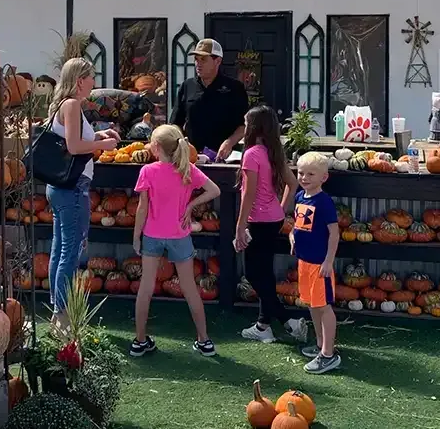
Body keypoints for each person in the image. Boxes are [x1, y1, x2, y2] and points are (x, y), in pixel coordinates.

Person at [129, 124, 221, 358]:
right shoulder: (187, 169)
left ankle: (140, 341)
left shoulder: (147, 171)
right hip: (180, 235)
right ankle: (204, 340)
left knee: (146, 288)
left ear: (156, 147)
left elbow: (142, 208)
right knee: (190, 288)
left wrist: (136, 235)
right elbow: (215, 190)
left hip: (152, 235)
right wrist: (190, 205)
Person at [46, 57, 119, 329]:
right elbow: (75, 147)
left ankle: (57, 311)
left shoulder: (60, 105)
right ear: (79, 81)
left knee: (59, 250)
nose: (94, 83)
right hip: (74, 188)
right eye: (91, 77)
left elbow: (71, 142)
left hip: (59, 188)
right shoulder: (74, 105)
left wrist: (98, 137)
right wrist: (106, 144)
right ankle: (63, 315)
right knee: (70, 252)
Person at [232, 105, 301, 344]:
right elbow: (293, 184)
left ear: (254, 127)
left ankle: (287, 320)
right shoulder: (274, 152)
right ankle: (263, 326)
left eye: (246, 122)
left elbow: (248, 195)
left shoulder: (251, 154)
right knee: (265, 273)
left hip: (257, 221)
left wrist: (240, 227)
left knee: (252, 273)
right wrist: (280, 210)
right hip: (273, 220)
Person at [290, 152, 342, 374]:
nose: (304, 177)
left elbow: (334, 233)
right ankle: (320, 344)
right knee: (312, 304)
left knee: (323, 306)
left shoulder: (324, 202)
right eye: (301, 173)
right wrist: (292, 236)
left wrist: (328, 261)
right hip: (304, 262)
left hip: (320, 265)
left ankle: (329, 355)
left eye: (311, 174)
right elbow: (298, 223)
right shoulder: (300, 197)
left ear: (323, 177)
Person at [172, 38, 249, 160]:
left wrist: (229, 143)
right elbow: (176, 124)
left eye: (203, 59)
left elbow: (244, 125)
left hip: (224, 158)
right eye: (196, 59)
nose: (198, 64)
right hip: (192, 158)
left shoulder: (234, 88)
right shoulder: (187, 86)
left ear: (217, 61)